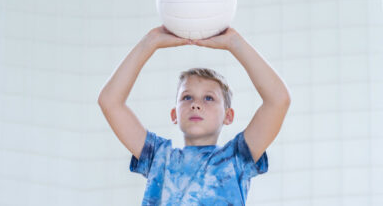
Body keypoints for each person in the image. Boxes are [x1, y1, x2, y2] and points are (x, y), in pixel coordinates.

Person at [97, 25, 291, 205]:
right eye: (187, 97)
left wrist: (235, 43)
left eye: (208, 98)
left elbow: (278, 100)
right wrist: (150, 42)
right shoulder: (159, 157)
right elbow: (110, 102)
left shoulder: (236, 158)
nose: (196, 105)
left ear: (228, 115)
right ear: (174, 114)